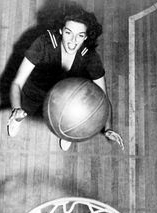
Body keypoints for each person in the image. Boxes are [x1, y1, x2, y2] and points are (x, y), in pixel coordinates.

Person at [7, 2, 124, 151]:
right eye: (69, 33)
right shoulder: (44, 44)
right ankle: (15, 119)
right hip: (35, 92)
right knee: (22, 111)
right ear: (61, 31)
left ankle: (66, 130)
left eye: (80, 35)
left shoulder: (89, 56)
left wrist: (108, 128)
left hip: (64, 98)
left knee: (75, 111)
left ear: (86, 37)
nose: (73, 41)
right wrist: (16, 108)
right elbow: (17, 83)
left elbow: (103, 99)